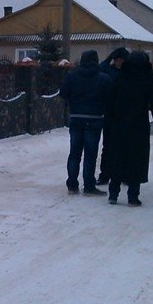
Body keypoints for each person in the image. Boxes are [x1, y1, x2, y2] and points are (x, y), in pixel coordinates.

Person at [106, 51, 153, 206]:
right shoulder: (148, 80)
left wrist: (108, 122)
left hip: (119, 124)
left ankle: (113, 193)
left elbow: (110, 101)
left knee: (118, 157)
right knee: (137, 159)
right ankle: (133, 196)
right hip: (139, 125)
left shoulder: (121, 77)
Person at [60, 49, 112, 196]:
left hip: (76, 117)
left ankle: (72, 184)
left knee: (74, 153)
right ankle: (89, 186)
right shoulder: (104, 78)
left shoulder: (72, 76)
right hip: (94, 119)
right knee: (90, 154)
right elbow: (110, 98)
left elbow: (63, 93)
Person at [96, 47, 130, 185]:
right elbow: (100, 69)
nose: (119, 62)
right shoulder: (108, 70)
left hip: (125, 114)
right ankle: (105, 174)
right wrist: (109, 57)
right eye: (117, 59)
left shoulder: (129, 72)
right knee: (108, 146)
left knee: (124, 146)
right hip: (110, 113)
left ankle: (124, 175)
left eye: (122, 60)